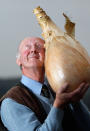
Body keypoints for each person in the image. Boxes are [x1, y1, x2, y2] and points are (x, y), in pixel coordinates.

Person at [0, 37, 90, 131]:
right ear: (18, 61)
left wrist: (75, 102)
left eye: (38, 46)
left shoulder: (60, 89)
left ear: (49, 57)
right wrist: (58, 106)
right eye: (27, 47)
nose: (33, 49)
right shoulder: (12, 102)